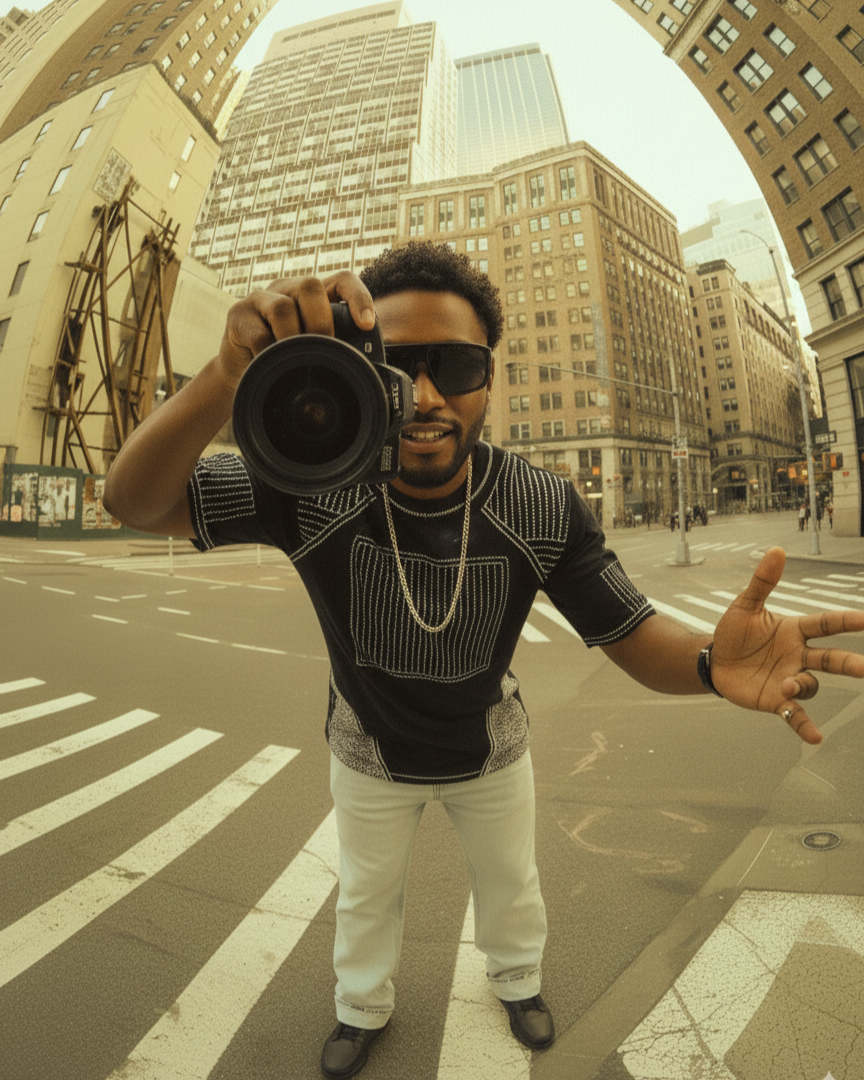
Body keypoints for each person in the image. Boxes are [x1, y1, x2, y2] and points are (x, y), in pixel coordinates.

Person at [102, 242, 864, 1080]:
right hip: (367, 752)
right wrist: (225, 373)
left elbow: (632, 635)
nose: (426, 396)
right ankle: (361, 1006)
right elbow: (134, 501)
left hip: (491, 753)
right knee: (364, 894)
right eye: (397, 366)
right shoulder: (312, 483)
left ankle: (517, 983)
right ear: (360, 372)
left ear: (490, 381)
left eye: (457, 367)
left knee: (511, 886)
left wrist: (714, 663)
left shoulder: (539, 503)